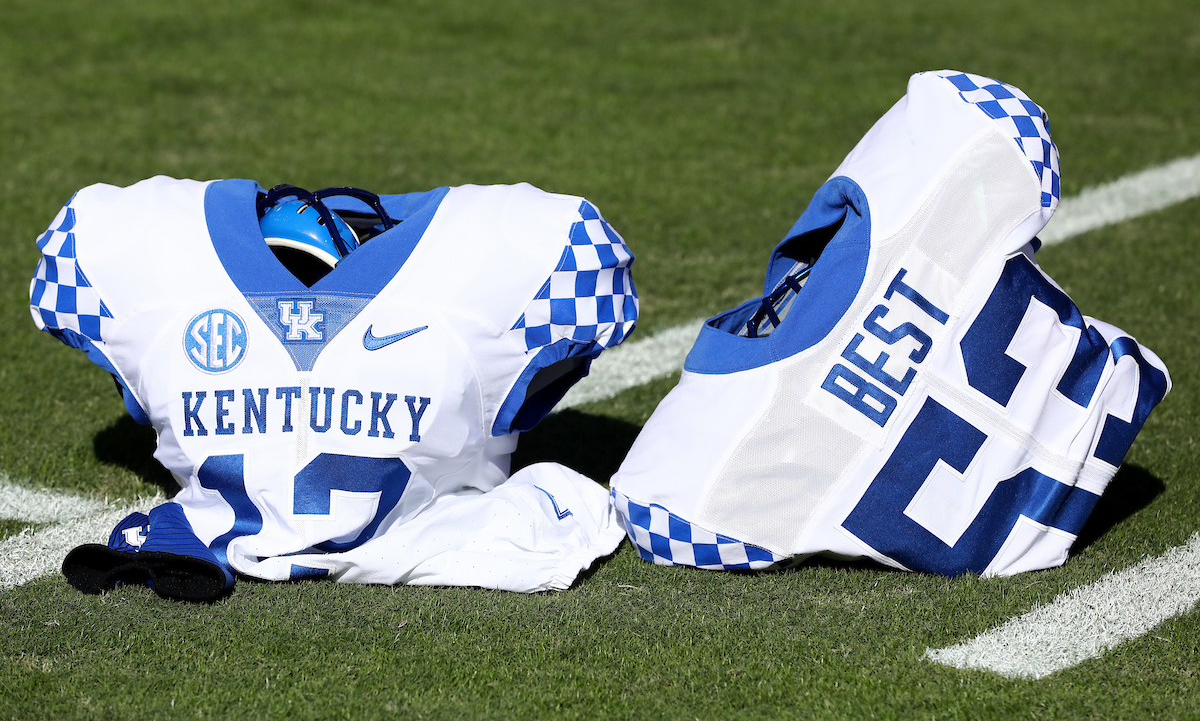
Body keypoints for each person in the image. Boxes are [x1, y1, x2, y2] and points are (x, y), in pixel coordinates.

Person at [610, 70, 1170, 577]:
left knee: (835, 261)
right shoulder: (986, 152)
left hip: (712, 511)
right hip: (725, 505)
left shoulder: (685, 491)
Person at [30, 176, 637, 599]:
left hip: (210, 528)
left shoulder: (120, 247)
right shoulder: (536, 248)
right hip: (432, 524)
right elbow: (590, 279)